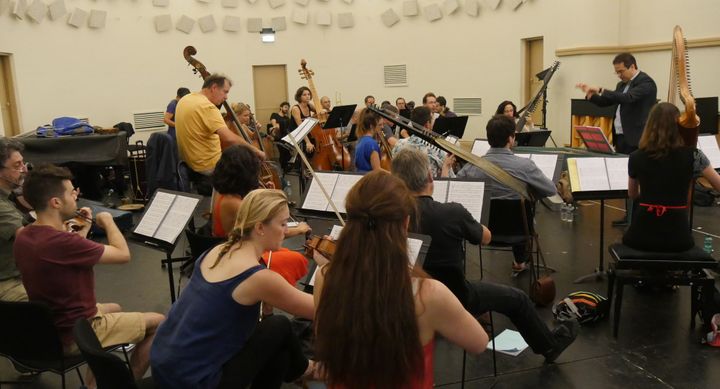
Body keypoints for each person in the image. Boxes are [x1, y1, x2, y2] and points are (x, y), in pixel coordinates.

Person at [392, 148, 578, 363]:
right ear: (430, 177)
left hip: (404, 297)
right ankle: (550, 346)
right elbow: (486, 237)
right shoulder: (452, 212)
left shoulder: (390, 215)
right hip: (455, 297)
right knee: (517, 299)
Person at [314, 171, 488, 389]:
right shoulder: (428, 294)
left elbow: (324, 339)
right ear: (406, 223)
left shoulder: (324, 277)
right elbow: (479, 342)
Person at [151, 189, 317, 388]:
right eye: (282, 224)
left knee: (277, 343)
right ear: (259, 228)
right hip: (194, 382)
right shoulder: (259, 278)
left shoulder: (217, 250)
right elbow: (319, 309)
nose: (286, 230)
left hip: (165, 364)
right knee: (280, 325)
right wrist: (326, 269)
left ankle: (301, 370)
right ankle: (305, 369)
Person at [14, 164, 165, 382]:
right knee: (160, 322)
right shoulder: (63, 242)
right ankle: (121, 385)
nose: (76, 197)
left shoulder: (24, 235)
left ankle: (94, 383)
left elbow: (63, 254)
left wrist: (83, 230)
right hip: (74, 332)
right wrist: (108, 221)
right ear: (56, 202)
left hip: (48, 327)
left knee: (115, 307)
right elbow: (123, 255)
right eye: (71, 193)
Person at [457, 115, 557, 273]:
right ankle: (521, 260)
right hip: (520, 231)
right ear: (511, 139)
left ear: (488, 138)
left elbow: (457, 188)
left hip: (483, 232)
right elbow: (551, 190)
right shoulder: (525, 165)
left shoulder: (472, 167)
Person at [211, 145, 311, 290]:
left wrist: (266, 194)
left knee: (287, 256)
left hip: (241, 246)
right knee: (294, 259)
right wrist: (300, 229)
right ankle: (267, 301)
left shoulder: (225, 192)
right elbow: (267, 231)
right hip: (236, 253)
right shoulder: (234, 203)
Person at [623, 102, 720, 252]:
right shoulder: (694, 155)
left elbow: (633, 194)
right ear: (678, 125)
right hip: (678, 236)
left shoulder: (636, 156)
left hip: (641, 235)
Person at [577, 52, 657, 226]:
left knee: (639, 178)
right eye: (617, 72)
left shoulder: (646, 82)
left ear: (633, 66)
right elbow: (607, 102)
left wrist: (601, 89)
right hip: (621, 136)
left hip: (638, 137)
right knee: (626, 177)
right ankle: (629, 215)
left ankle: (639, 217)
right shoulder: (622, 84)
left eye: (621, 71)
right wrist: (591, 96)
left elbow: (628, 98)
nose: (619, 75)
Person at [176, 74, 264, 176]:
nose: (226, 97)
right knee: (249, 170)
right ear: (214, 88)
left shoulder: (185, 99)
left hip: (188, 163)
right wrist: (257, 151)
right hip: (209, 166)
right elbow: (229, 138)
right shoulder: (207, 107)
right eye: (225, 92)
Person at [0, 138, 31, 302]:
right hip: (5, 283)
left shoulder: (8, 194)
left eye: (23, 163)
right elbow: (30, 239)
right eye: (17, 166)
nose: (24, 170)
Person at [354, 109, 385, 173]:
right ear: (371, 126)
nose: (382, 127)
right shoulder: (371, 143)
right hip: (370, 179)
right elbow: (377, 170)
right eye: (379, 125)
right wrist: (393, 175)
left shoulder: (360, 140)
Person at [289, 86, 317, 154]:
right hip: (298, 136)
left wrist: (322, 112)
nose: (307, 96)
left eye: (308, 94)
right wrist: (308, 142)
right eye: (304, 95)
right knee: (309, 148)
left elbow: (319, 111)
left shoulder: (309, 105)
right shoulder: (296, 109)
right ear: (299, 97)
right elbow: (301, 128)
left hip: (307, 133)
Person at [270, 102, 293, 171]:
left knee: (288, 151)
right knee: (283, 149)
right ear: (281, 107)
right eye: (285, 107)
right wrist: (276, 126)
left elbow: (288, 128)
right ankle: (284, 167)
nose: (287, 109)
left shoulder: (287, 118)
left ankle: (286, 166)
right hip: (278, 136)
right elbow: (274, 125)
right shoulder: (274, 115)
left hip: (286, 136)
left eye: (288, 108)